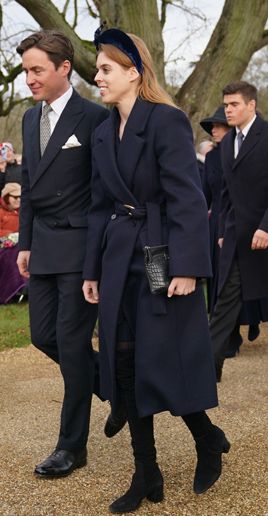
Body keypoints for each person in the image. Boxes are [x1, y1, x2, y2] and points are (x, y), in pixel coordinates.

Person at [82, 28, 229, 513]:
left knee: (168, 361)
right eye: (97, 69)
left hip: (162, 255)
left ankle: (207, 440)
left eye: (105, 69)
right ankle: (147, 472)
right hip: (118, 256)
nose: (97, 76)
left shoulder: (166, 121)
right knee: (124, 366)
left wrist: (188, 265)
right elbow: (99, 206)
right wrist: (92, 270)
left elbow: (188, 196)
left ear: (132, 72)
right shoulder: (103, 131)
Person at [15, 30, 112, 478]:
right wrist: (25, 242)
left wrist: (96, 257)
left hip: (80, 249)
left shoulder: (95, 118)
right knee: (43, 337)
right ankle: (118, 389)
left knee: (72, 348)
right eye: (26, 70)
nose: (29, 78)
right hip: (44, 248)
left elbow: (102, 195)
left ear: (64, 68)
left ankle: (71, 447)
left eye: (37, 69)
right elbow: (31, 188)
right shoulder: (28, 119)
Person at [210, 81, 268, 381]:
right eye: (226, 104)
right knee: (225, 300)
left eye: (233, 104)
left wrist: (266, 227)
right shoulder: (227, 142)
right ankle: (210, 365)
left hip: (264, 231)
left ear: (251, 105)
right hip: (235, 234)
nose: (227, 110)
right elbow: (224, 194)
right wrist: (221, 229)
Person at [199, 106, 265, 357]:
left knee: (238, 279)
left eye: (217, 125)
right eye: (212, 127)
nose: (213, 130)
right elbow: (207, 194)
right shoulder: (214, 157)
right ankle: (226, 337)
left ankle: (241, 328)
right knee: (220, 280)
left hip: (246, 221)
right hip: (217, 224)